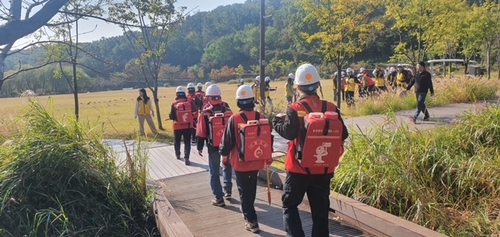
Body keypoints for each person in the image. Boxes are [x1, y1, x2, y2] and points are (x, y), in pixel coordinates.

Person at [273, 64, 349, 237]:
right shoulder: (331, 107)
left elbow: (289, 132)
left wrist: (276, 122)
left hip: (298, 169)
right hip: (323, 170)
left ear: (298, 87)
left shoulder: (294, 108)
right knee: (320, 213)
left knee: (290, 205)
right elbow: (343, 133)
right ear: (317, 85)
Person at [219, 85, 273, 233]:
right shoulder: (261, 117)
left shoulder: (234, 119)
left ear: (238, 102)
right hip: (257, 159)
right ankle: (249, 211)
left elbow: (227, 142)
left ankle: (252, 221)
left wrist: (224, 155)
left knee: (244, 191)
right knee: (252, 187)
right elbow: (268, 138)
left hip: (240, 162)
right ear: (252, 100)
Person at [196, 84, 233, 207]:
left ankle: (219, 197)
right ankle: (228, 188)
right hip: (228, 145)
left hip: (213, 146)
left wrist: (199, 147)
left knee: (214, 171)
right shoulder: (228, 110)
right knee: (227, 165)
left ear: (208, 97)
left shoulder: (206, 112)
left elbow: (201, 131)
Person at [169, 86, 197, 165]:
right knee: (187, 142)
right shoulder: (190, 102)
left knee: (177, 141)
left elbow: (171, 116)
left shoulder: (174, 104)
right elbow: (194, 111)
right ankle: (187, 158)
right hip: (188, 126)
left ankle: (178, 154)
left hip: (177, 126)